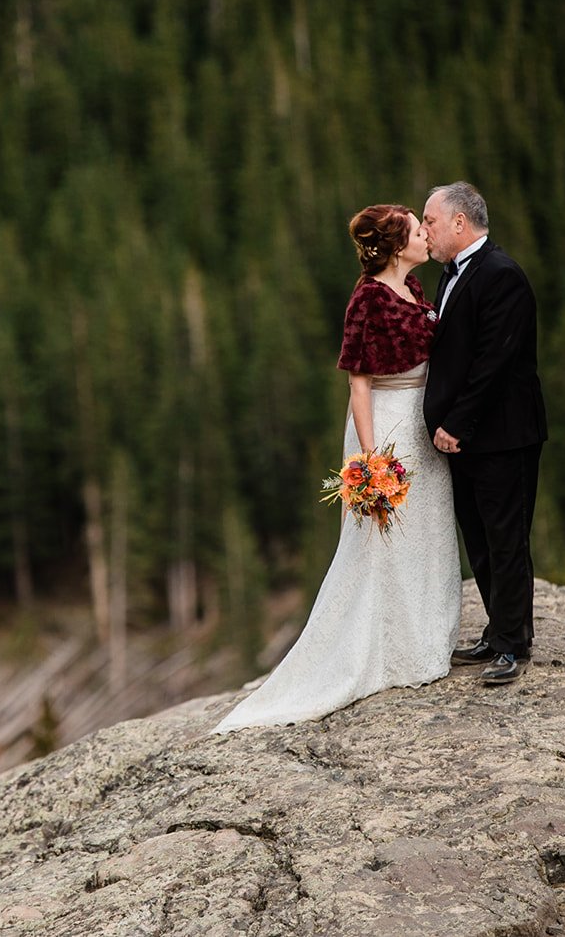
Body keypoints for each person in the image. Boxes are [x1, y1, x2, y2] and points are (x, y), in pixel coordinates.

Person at [213, 204, 461, 731]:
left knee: (428, 528)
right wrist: (370, 458)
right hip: (388, 423)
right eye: (419, 230)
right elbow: (359, 382)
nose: (426, 235)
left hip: (421, 420)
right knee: (384, 538)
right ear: (398, 247)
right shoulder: (367, 298)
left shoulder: (416, 291)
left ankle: (423, 641)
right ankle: (380, 649)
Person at [420, 182, 547, 685]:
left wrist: (456, 423)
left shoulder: (501, 275)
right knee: (478, 535)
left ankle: (514, 645)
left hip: (504, 433)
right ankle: (498, 631)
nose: (423, 229)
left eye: (429, 220)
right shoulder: (452, 274)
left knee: (506, 537)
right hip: (471, 436)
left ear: (458, 222)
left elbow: (494, 362)